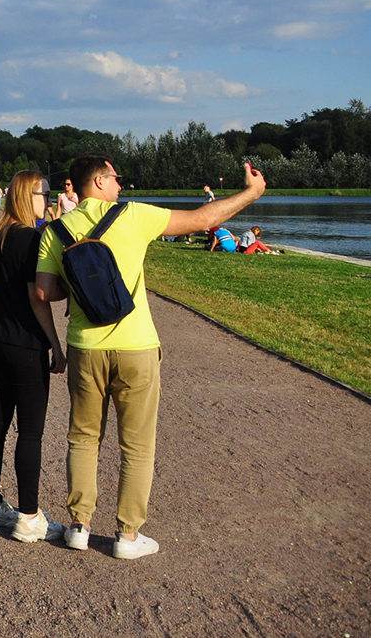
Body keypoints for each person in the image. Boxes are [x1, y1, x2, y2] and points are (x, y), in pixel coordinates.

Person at [34, 155, 266, 561]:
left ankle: (79, 526)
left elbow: (44, 292)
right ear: (101, 182)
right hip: (136, 344)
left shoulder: (57, 228)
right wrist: (251, 193)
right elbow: (202, 220)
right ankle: (126, 534)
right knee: (137, 445)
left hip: (85, 346)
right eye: (117, 179)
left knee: (83, 438)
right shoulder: (134, 216)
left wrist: (81, 286)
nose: (121, 186)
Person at [0, 170, 66, 543]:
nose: (48, 197)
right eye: (44, 192)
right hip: (25, 342)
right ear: (29, 196)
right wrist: (56, 345)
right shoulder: (33, 238)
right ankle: (30, 516)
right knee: (30, 430)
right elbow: (38, 297)